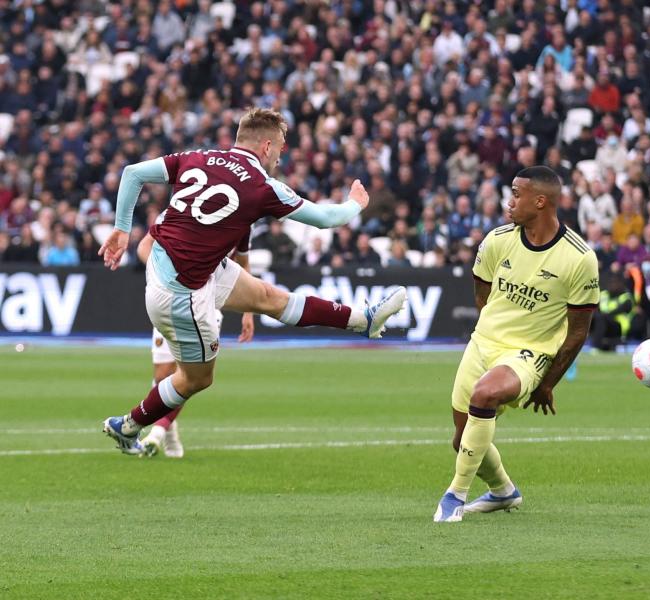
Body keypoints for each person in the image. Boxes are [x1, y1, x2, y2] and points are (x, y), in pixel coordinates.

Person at [99, 107, 408, 454]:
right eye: (280, 147)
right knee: (198, 379)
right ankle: (127, 425)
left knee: (267, 297)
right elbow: (325, 217)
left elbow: (132, 173)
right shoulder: (262, 187)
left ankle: (363, 321)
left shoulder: (198, 157)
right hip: (182, 292)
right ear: (265, 146)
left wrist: (121, 230)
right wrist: (355, 204)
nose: (279, 155)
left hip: (175, 264)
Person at [433, 166, 599, 522]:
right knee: (462, 440)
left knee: (485, 395)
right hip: (484, 343)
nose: (509, 202)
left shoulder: (579, 258)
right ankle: (504, 491)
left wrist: (548, 381)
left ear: (540, 201)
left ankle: (454, 496)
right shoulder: (497, 240)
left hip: (530, 352)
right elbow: (483, 294)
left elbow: (578, 331)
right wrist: (492, 331)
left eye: (516, 194)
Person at [136, 231, 256, 458]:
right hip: (171, 298)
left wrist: (248, 311)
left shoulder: (241, 220)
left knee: (188, 376)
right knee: (163, 377)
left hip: (207, 306)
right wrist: (159, 272)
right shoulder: (177, 212)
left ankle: (158, 433)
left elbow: (244, 264)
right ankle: (170, 432)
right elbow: (144, 247)